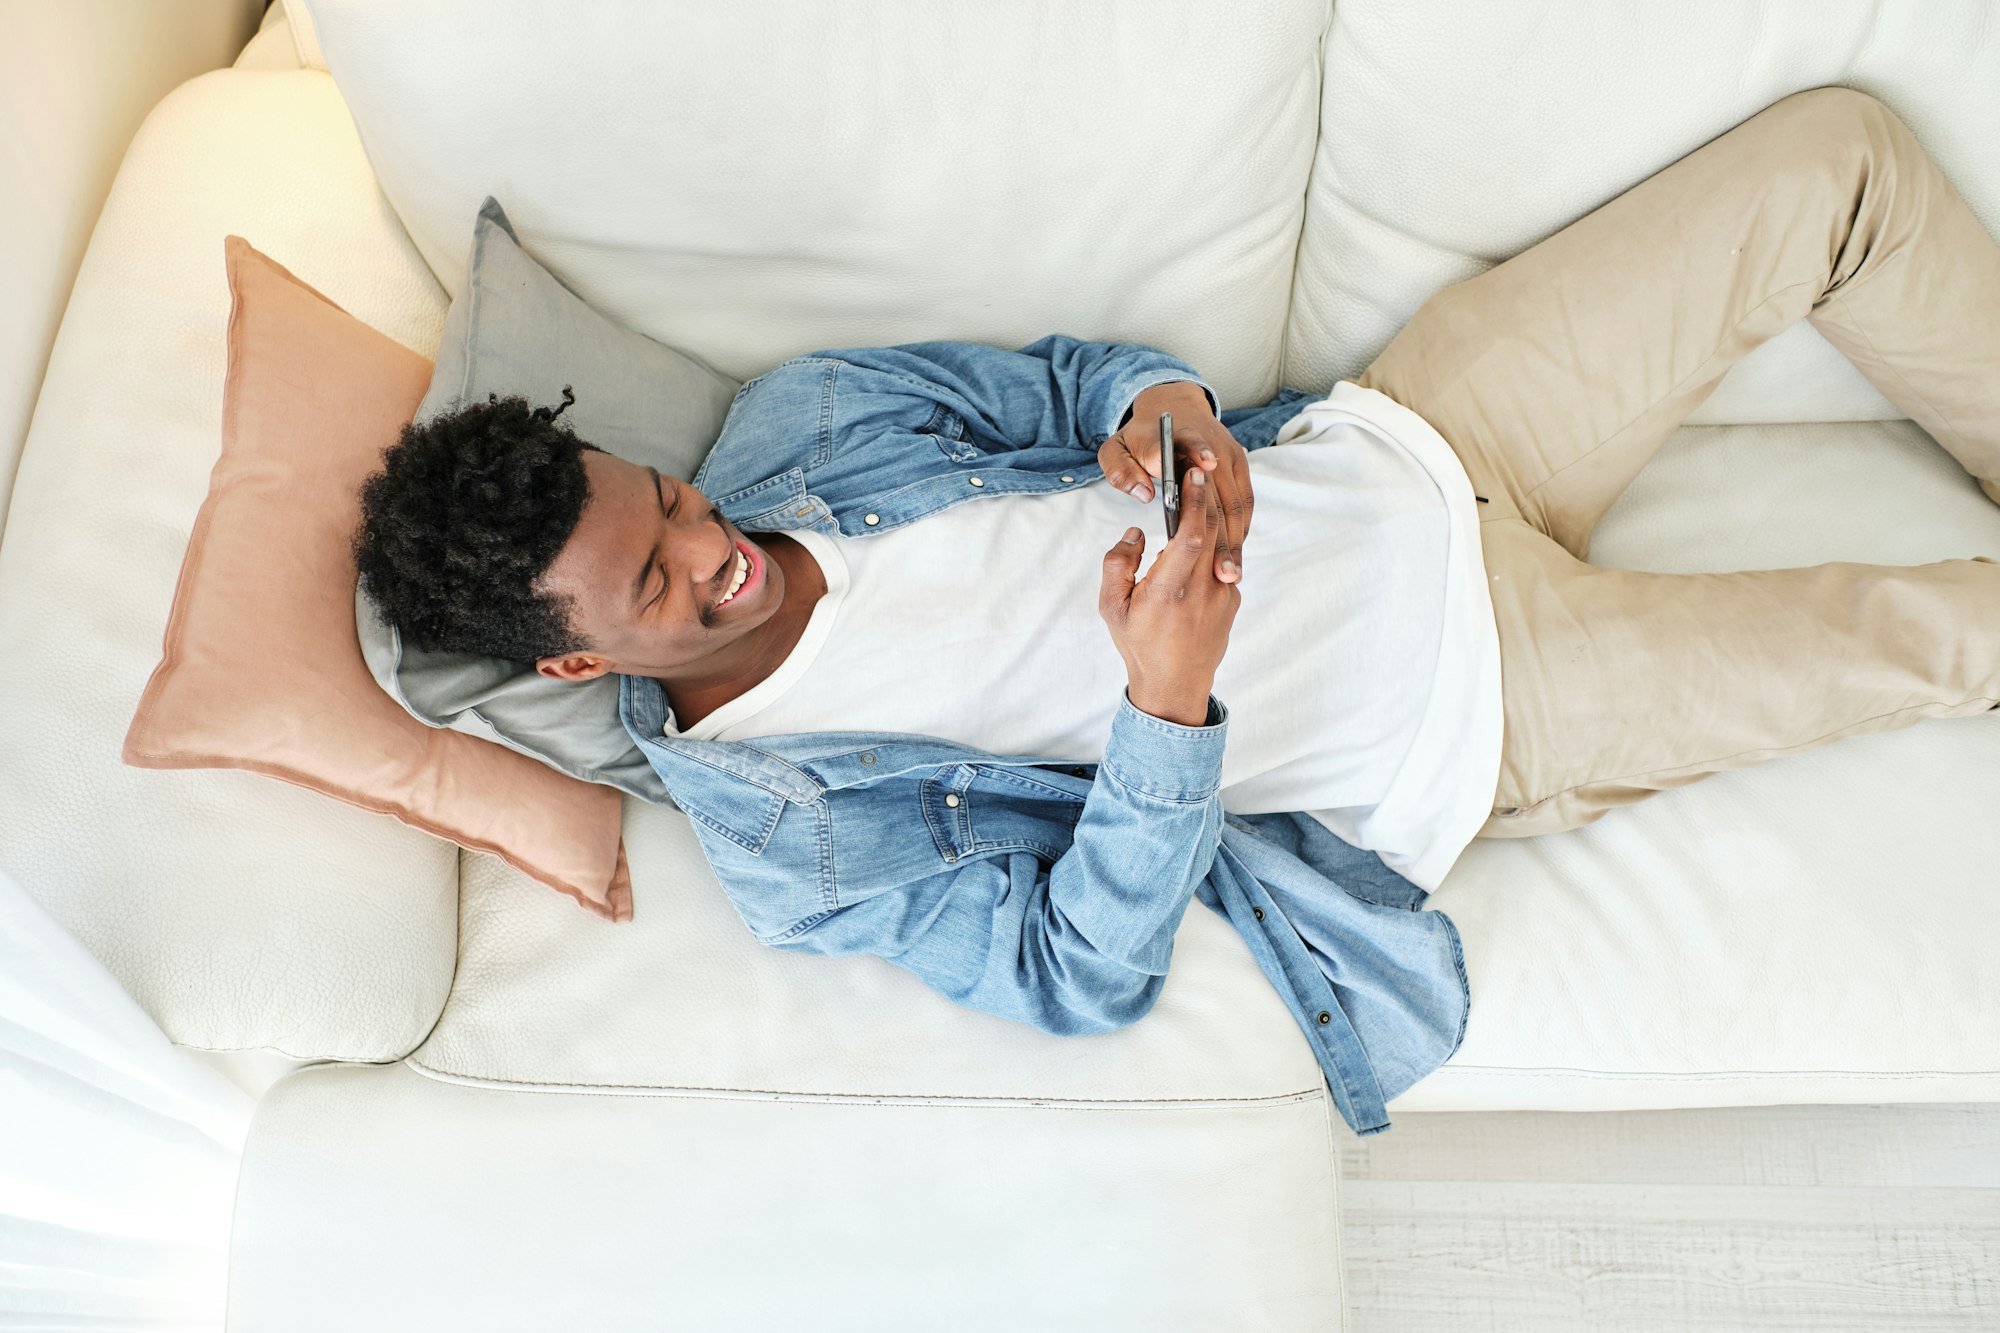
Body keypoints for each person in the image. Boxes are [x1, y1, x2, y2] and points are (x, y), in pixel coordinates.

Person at [351, 87, 2000, 1136]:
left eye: (675, 498)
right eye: (660, 581)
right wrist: (1164, 705)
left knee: (1835, 161)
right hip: (1485, 699)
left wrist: (1164, 406)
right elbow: (1080, 971)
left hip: (1415, 434)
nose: (722, 543)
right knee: (1959, 633)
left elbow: (1065, 381)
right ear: (577, 661)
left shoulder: (795, 425)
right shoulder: (800, 849)